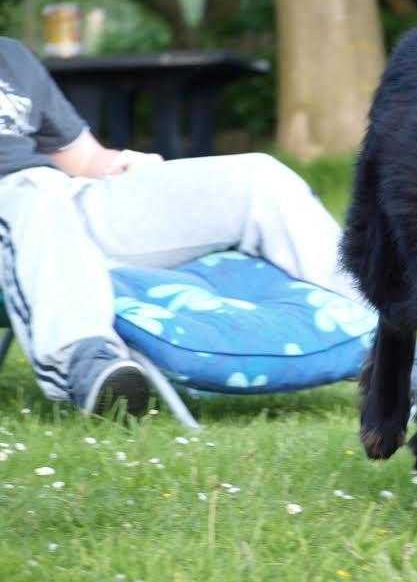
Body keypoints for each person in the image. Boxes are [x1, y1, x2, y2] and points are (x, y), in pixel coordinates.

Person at [0, 36, 386, 416]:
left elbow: (83, 159)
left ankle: (382, 336)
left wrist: (123, 164)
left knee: (260, 177)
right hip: (22, 205)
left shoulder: (11, 57)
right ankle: (85, 363)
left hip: (66, 201)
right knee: (37, 190)